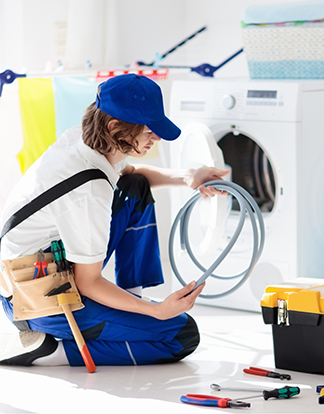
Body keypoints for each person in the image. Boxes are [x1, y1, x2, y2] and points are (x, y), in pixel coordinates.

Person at [0, 74, 230, 367]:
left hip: (36, 267)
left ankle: (129, 299)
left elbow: (130, 171)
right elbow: (88, 282)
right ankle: (52, 351)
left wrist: (187, 176)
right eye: (149, 130)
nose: (155, 138)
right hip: (34, 299)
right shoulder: (88, 192)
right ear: (115, 127)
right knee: (180, 335)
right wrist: (156, 311)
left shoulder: (83, 140)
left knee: (134, 187)